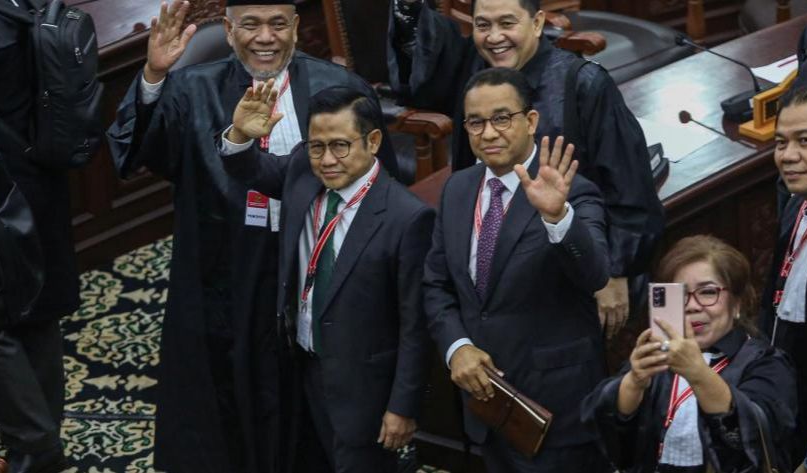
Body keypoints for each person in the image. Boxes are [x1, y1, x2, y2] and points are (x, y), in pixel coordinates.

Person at [105, 1, 402, 471]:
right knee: (229, 406)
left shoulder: (339, 89)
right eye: (251, 25)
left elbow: (383, 186)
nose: (265, 37)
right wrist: (153, 76)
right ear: (227, 30)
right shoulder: (190, 88)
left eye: (277, 24)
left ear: (296, 28)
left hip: (313, 265)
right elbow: (137, 153)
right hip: (224, 270)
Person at [390, 0, 664, 336]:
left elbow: (631, 188)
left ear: (536, 23)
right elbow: (420, 86)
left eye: (507, 23)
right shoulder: (475, 78)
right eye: (483, 25)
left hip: (571, 277)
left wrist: (617, 272)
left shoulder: (583, 85)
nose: (494, 37)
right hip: (496, 279)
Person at [219, 84, 432, 472]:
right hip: (301, 364)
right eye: (318, 146)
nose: (327, 160)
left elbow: (416, 327)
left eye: (340, 146)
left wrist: (403, 407)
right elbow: (250, 170)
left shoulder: (407, 219)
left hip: (362, 388)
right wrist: (239, 137)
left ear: (373, 141)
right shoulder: (303, 167)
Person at [423, 67, 610, 472]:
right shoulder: (457, 189)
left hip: (556, 412)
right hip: (486, 409)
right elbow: (436, 285)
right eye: (476, 122)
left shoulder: (568, 189)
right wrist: (457, 348)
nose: (489, 133)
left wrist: (558, 216)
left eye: (502, 118)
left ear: (530, 122)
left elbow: (595, 274)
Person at [583, 235, 797, 473]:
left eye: (707, 292)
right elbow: (607, 435)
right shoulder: (658, 357)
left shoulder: (765, 362)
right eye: (681, 294)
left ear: (737, 303)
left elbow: (758, 435)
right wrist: (634, 382)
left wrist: (697, 373)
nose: (692, 306)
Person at [0, 3, 79, 472]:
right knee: (39, 320)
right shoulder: (32, 6)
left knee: (0, 326)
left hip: (1, 195)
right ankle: (39, 450)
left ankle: (36, 451)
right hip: (43, 180)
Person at [762, 84, 807, 465]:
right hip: (791, 397)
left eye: (805, 140)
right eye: (780, 143)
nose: (788, 156)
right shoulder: (794, 204)